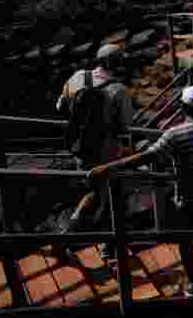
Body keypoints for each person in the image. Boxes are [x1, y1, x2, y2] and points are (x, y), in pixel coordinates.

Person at [88, 85, 193, 297]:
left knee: (185, 241)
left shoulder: (174, 134)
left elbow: (148, 156)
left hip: (188, 199)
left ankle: (192, 281)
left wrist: (109, 167)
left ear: (182, 108)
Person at [54, 44, 132, 261]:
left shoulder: (78, 77)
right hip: (107, 156)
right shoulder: (118, 90)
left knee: (102, 195)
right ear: (114, 63)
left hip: (80, 149)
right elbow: (125, 125)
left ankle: (108, 246)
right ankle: (67, 240)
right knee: (106, 196)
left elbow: (60, 107)